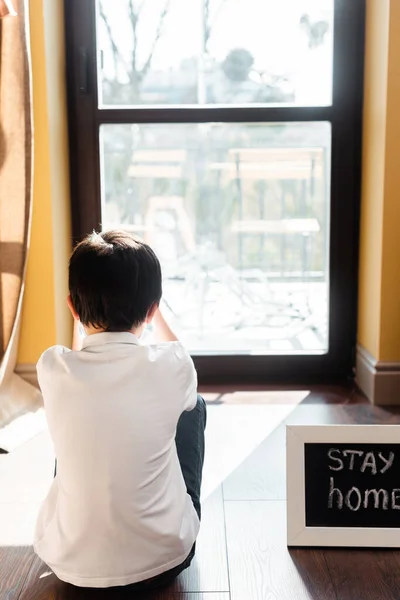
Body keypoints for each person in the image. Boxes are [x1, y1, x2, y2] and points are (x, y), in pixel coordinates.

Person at [34, 230, 206, 590]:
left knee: (75, 418)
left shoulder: (52, 367)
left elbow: (75, 356)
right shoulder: (173, 364)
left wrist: (82, 317)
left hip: (70, 569)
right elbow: (180, 358)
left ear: (73, 307)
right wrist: (154, 314)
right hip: (165, 561)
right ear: (152, 309)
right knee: (194, 405)